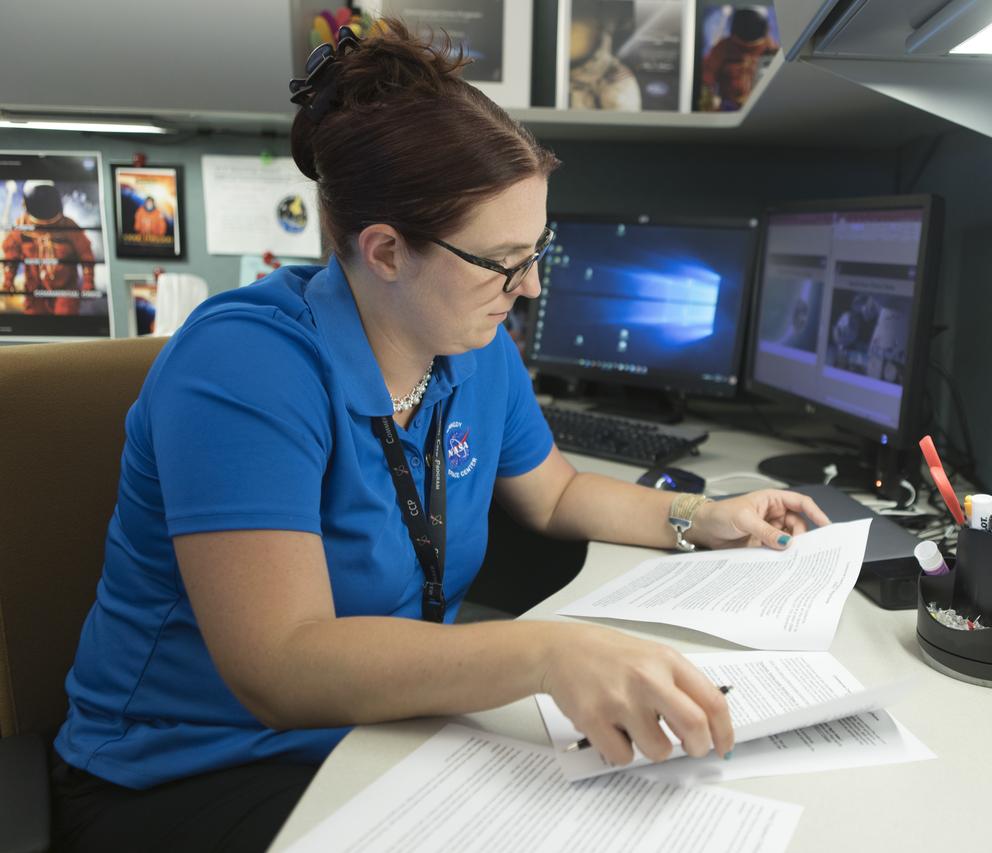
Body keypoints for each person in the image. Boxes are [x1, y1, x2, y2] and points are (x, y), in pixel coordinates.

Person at [50, 21, 829, 852]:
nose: (527, 287)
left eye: (538, 251)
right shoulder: (243, 365)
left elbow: (556, 491)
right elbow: (281, 667)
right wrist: (547, 655)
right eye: (503, 260)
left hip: (382, 733)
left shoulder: (472, 345)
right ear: (385, 250)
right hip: (189, 771)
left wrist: (699, 516)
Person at [1, 182, 95, 315]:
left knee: (65, 322)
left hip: (66, 288)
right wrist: (8, 280)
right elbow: (11, 257)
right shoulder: (20, 228)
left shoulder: (69, 226)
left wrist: (88, 283)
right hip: (34, 289)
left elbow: (86, 254)